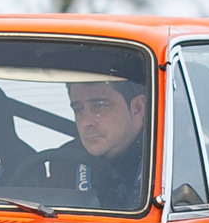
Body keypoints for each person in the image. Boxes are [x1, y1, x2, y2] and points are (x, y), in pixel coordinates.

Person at [14, 79, 149, 209]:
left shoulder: (160, 162)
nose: (85, 122)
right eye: (78, 110)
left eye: (99, 106)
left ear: (137, 108)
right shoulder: (65, 163)